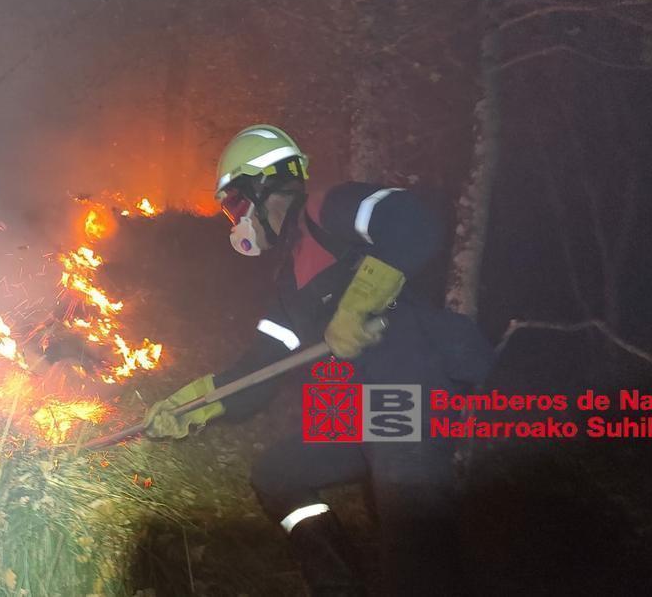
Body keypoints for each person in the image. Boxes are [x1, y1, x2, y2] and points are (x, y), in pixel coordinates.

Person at [144, 124, 493, 596]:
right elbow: (255, 375)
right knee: (277, 475)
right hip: (359, 414)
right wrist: (187, 409)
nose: (235, 221)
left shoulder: (326, 207)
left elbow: (414, 221)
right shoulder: (291, 286)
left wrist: (357, 304)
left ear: (264, 187)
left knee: (414, 558)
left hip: (405, 393)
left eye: (235, 205)